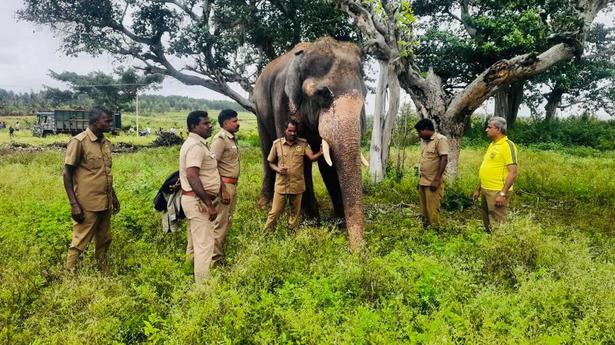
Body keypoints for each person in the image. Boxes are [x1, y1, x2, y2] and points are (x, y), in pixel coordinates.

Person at [63, 106, 120, 271]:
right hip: (87, 203)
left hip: (105, 200)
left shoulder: (106, 143)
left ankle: (102, 270)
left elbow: (105, 174)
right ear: (96, 122)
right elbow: (67, 174)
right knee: (80, 241)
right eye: (107, 121)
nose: (110, 124)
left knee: (104, 239)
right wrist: (74, 204)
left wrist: (113, 197)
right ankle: (70, 275)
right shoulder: (79, 142)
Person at [179, 110, 220, 283]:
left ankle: (190, 271)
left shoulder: (198, 144)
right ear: (194, 126)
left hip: (194, 200)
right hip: (198, 202)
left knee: (195, 242)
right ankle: (203, 288)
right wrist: (208, 204)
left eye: (209, 122)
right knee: (205, 245)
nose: (210, 125)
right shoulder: (195, 146)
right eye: (205, 123)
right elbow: (192, 175)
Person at [263, 120, 323, 233]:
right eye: (290, 131)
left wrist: (320, 152)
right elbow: (270, 162)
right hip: (281, 185)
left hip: (297, 185)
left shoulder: (303, 144)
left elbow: (312, 157)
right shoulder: (277, 144)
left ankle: (292, 233)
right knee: (275, 212)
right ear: (285, 130)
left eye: (294, 131)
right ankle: (266, 233)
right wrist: (278, 169)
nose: (292, 133)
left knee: (295, 213)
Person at [472, 116, 519, 232]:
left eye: (489, 127)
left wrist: (502, 194)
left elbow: (513, 173)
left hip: (497, 190)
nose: (486, 130)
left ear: (498, 129)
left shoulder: (508, 146)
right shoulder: (492, 145)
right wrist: (478, 189)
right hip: (485, 189)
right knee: (487, 219)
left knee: (498, 222)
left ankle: (499, 245)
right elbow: (486, 168)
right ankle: (489, 243)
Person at [211, 109, 241, 266]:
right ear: (225, 123)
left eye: (237, 121)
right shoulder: (220, 140)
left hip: (231, 185)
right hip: (225, 185)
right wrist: (223, 189)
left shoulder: (231, 139)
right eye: (234, 121)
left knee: (227, 221)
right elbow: (212, 166)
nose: (237, 124)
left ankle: (219, 253)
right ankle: (215, 260)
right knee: (220, 223)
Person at [414, 118, 449, 228]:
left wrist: (437, 180)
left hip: (433, 182)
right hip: (423, 181)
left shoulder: (440, 140)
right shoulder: (426, 142)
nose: (419, 134)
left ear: (426, 129)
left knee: (432, 209)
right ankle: (426, 230)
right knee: (424, 209)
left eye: (420, 132)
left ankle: (435, 231)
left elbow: (444, 159)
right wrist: (419, 180)